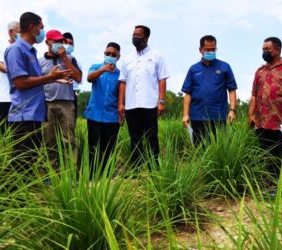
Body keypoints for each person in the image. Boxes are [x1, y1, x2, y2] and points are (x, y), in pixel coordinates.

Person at [4, 12, 72, 172]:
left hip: (34, 113)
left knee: (30, 159)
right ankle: (11, 194)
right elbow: (20, 82)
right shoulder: (16, 50)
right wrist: (49, 77)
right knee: (21, 161)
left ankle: (23, 194)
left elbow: (35, 80)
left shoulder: (30, 51)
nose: (42, 32)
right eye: (41, 28)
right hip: (23, 114)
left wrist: (52, 79)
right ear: (31, 27)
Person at [118, 25, 169, 167]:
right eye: (134, 34)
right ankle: (136, 169)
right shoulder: (128, 58)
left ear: (146, 37)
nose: (135, 37)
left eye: (138, 35)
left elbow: (162, 79)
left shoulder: (156, 56)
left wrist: (161, 101)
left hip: (150, 104)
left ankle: (154, 168)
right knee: (134, 138)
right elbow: (122, 82)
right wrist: (121, 104)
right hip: (131, 104)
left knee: (151, 136)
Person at [248, 37, 282, 177]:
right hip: (262, 122)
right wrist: (251, 115)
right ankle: (269, 184)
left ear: (278, 50)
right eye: (263, 50)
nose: (264, 52)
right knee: (266, 154)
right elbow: (254, 95)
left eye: (267, 50)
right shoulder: (260, 71)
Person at [181, 35, 237, 146]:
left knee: (219, 148)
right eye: (207, 49)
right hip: (197, 116)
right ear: (200, 50)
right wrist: (185, 114)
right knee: (199, 148)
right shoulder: (193, 69)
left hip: (218, 116)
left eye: (213, 49)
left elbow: (232, 90)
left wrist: (232, 110)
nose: (211, 52)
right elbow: (188, 93)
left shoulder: (225, 67)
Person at [39, 29, 82, 168]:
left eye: (61, 41)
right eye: (56, 41)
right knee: (48, 139)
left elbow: (78, 77)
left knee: (69, 139)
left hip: (67, 103)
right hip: (47, 103)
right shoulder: (40, 61)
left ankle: (71, 172)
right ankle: (50, 171)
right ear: (47, 42)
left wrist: (64, 58)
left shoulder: (69, 58)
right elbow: (38, 82)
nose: (59, 44)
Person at [84, 42, 121, 175]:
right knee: (93, 146)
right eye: (107, 53)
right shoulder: (96, 67)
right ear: (104, 54)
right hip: (94, 114)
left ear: (118, 57)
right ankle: (92, 174)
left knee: (109, 147)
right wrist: (102, 70)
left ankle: (107, 174)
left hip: (112, 117)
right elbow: (89, 78)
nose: (110, 56)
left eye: (113, 54)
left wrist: (122, 115)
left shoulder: (120, 75)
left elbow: (122, 96)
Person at [0, 21, 20, 134]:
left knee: (19, 132)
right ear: (11, 32)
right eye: (19, 32)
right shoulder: (1, 46)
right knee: (5, 132)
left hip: (20, 98)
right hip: (6, 96)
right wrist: (17, 72)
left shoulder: (22, 48)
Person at [63, 32, 82, 117]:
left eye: (71, 43)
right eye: (65, 42)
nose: (68, 45)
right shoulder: (53, 59)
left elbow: (78, 79)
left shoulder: (76, 61)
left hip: (71, 95)